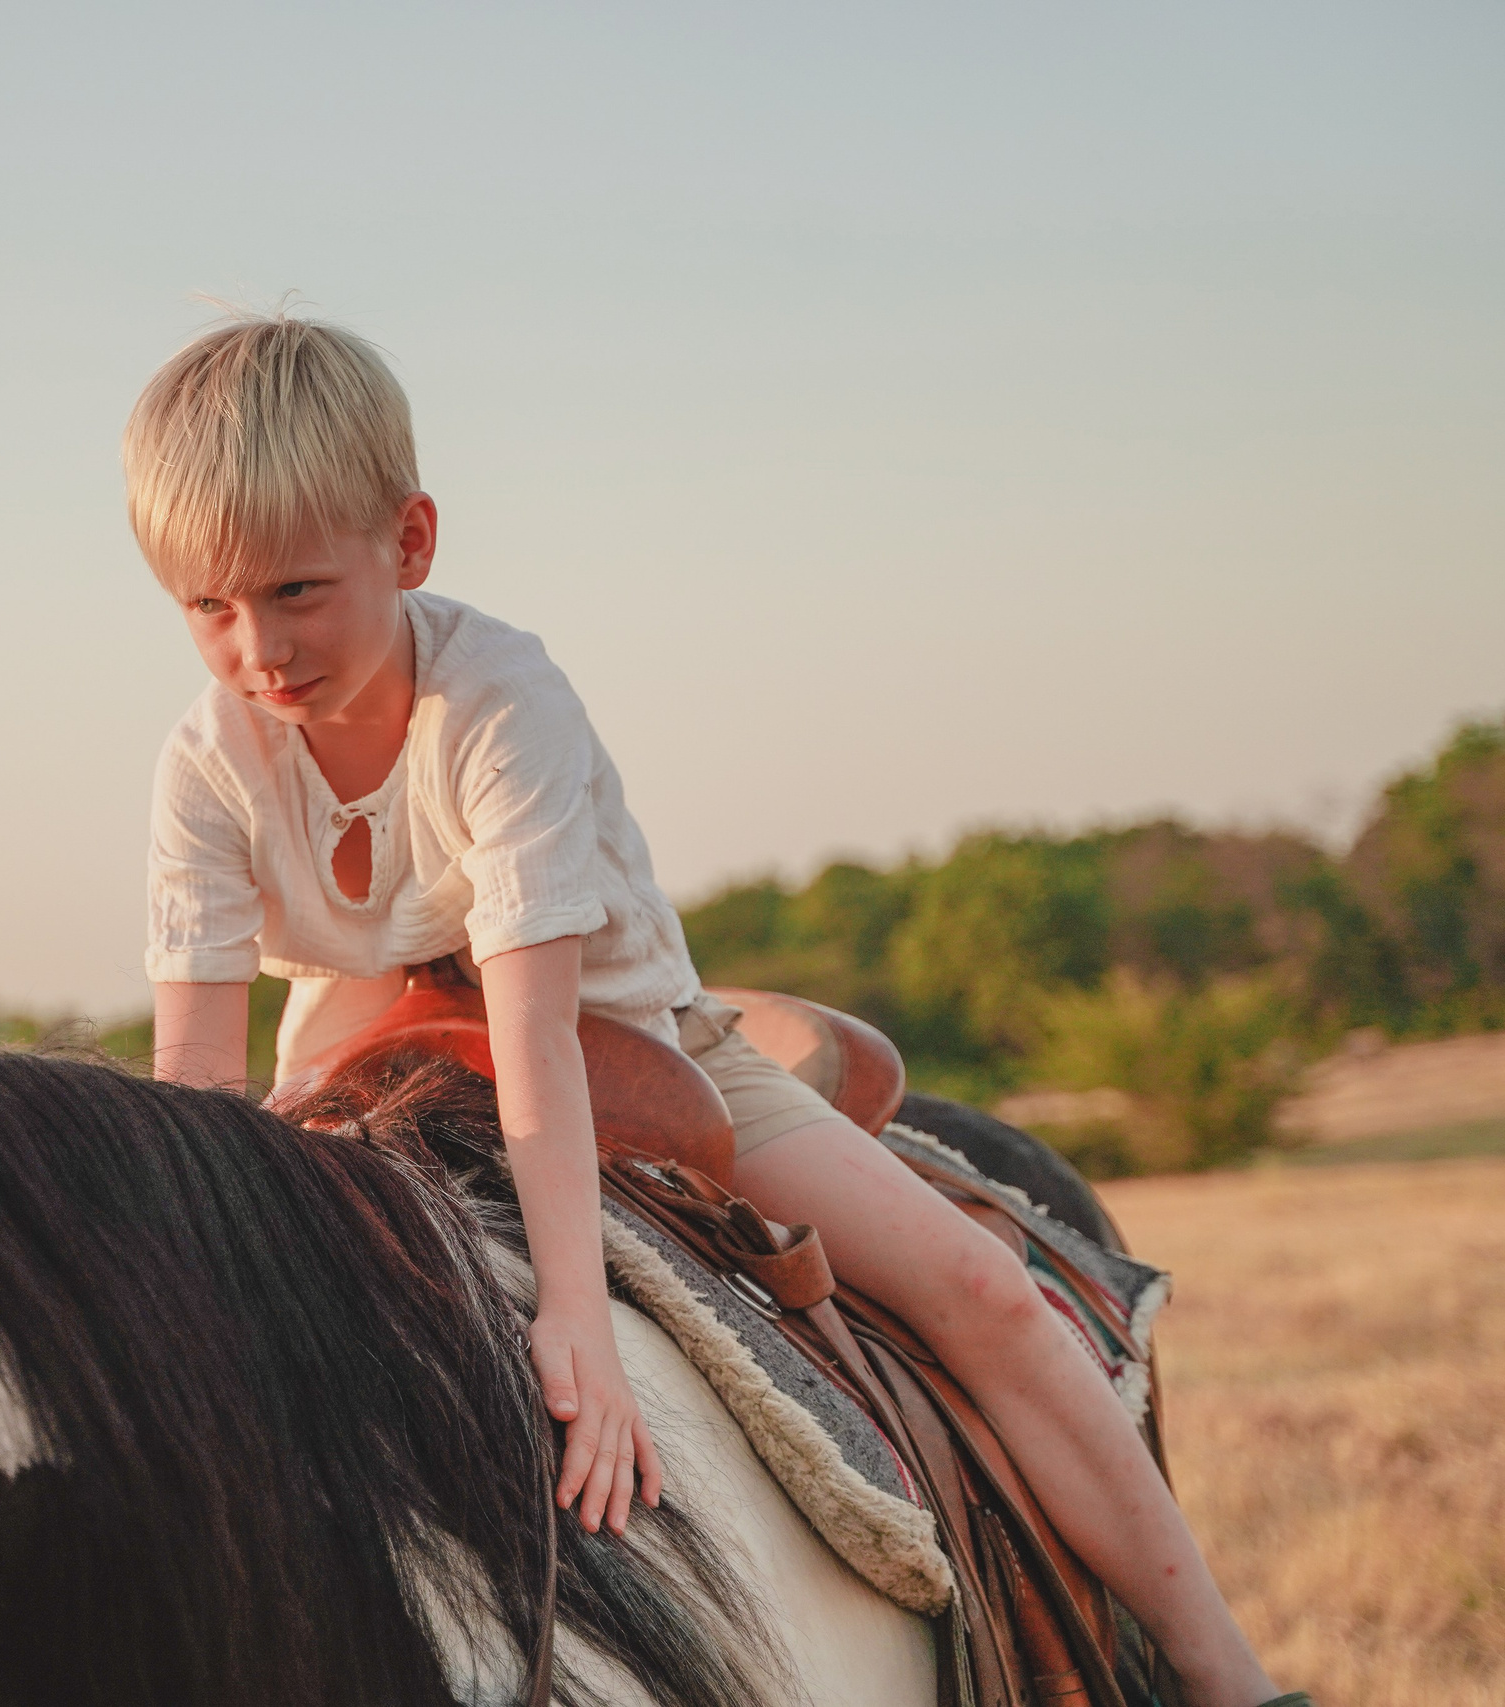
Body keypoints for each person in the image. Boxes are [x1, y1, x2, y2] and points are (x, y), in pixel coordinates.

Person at [128, 311, 1290, 1707]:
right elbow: (191, 1082)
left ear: (412, 543)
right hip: (355, 1079)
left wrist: (574, 1316)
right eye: (209, 606)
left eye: (300, 591)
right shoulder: (206, 763)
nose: (259, 646)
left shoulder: (497, 702)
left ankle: (1226, 1677)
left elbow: (539, 1046)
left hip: (632, 1045)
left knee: (983, 1290)